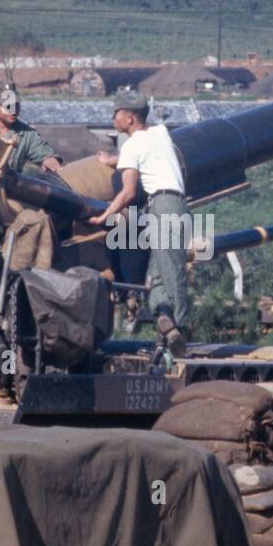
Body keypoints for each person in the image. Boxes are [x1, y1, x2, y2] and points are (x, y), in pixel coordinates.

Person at [89, 94, 190, 355]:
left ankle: (181, 329)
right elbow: (141, 154)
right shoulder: (160, 133)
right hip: (170, 204)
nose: (113, 118)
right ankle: (165, 321)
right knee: (156, 275)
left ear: (130, 117)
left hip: (163, 207)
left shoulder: (134, 146)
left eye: (116, 113)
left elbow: (129, 193)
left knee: (171, 271)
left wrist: (105, 215)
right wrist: (113, 160)